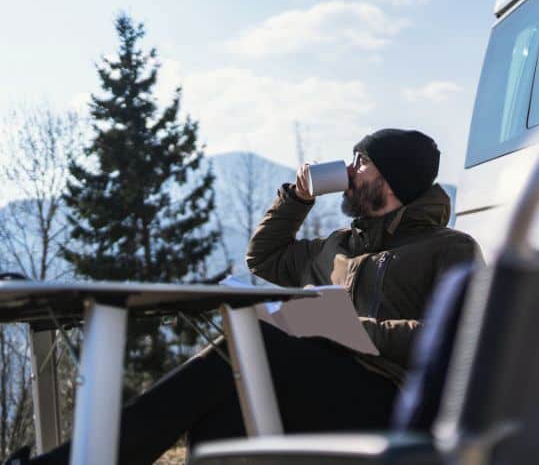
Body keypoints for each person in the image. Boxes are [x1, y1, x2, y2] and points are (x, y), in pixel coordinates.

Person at [15, 128, 481, 465]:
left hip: (395, 398)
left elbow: (464, 340)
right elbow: (265, 258)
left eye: (361, 162)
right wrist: (297, 198)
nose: (350, 171)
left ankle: (74, 462)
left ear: (392, 178)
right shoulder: (342, 245)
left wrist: (348, 331)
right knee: (228, 394)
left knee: (250, 347)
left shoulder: (448, 248)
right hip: (327, 385)